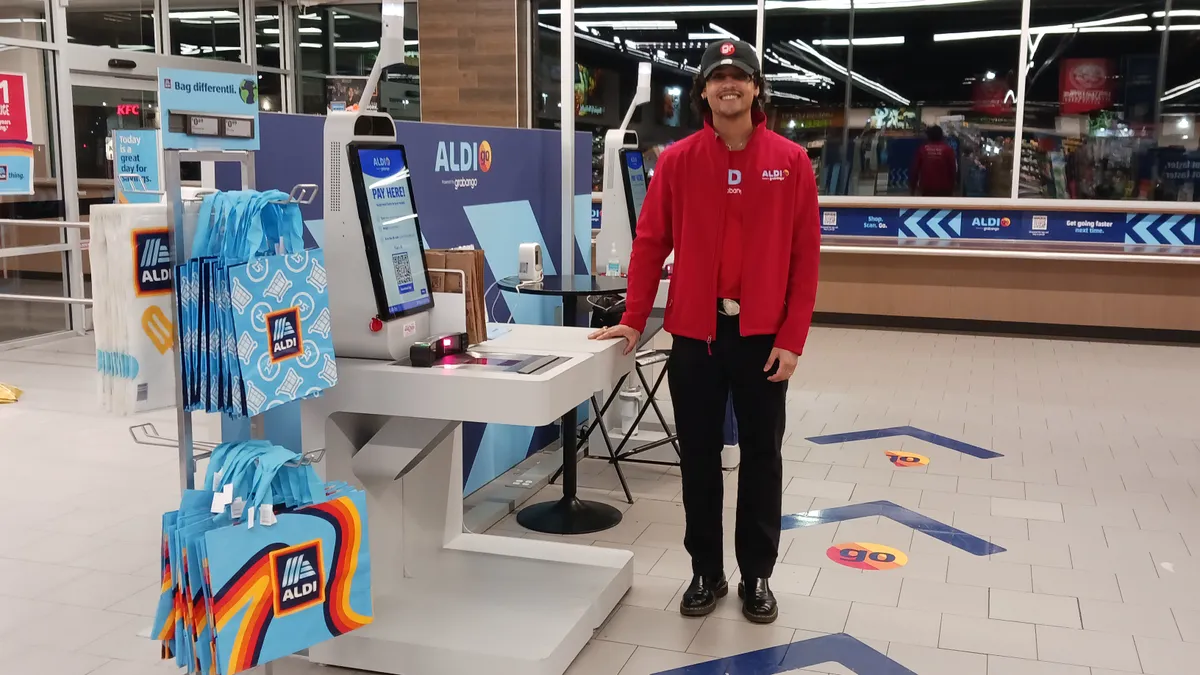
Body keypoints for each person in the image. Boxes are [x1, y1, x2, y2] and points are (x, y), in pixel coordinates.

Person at [589, 39, 820, 624]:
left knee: (762, 456)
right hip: (696, 336)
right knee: (697, 456)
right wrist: (633, 319)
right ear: (703, 93)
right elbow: (649, 245)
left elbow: (805, 258)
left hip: (763, 340)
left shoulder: (790, 162)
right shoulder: (678, 161)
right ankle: (705, 572)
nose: (728, 86)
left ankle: (758, 576)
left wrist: (792, 339)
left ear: (756, 88)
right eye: (716, 78)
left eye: (738, 76)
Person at [910, 125, 957, 197]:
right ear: (941, 136)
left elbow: (915, 170)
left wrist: (912, 188)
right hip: (944, 189)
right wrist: (952, 188)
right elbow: (952, 170)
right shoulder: (948, 150)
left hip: (926, 188)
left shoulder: (923, 149)